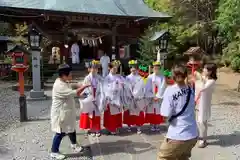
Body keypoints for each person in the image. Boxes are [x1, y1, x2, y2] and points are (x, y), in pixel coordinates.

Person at [158, 64, 198, 160]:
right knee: (183, 157)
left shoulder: (170, 91)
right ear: (185, 75)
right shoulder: (190, 89)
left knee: (164, 157)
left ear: (173, 76)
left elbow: (165, 115)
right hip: (193, 134)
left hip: (178, 135)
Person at [50, 64, 89, 159]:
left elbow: (71, 84)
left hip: (67, 112)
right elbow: (75, 93)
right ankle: (54, 151)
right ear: (64, 75)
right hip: (61, 113)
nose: (71, 75)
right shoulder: (59, 86)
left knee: (71, 128)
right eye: (70, 74)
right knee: (61, 132)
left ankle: (74, 145)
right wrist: (85, 86)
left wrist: (79, 84)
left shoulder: (62, 81)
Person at [195, 63, 217, 148]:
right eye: (203, 68)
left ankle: (203, 140)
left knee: (202, 121)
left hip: (204, 104)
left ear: (210, 71)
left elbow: (202, 88)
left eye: (205, 69)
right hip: (198, 102)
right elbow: (196, 84)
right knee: (199, 121)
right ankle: (202, 136)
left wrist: (199, 77)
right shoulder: (204, 78)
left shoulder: (212, 81)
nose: (203, 70)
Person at [79, 60, 103, 137]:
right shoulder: (87, 78)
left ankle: (97, 129)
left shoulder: (99, 77)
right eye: (93, 68)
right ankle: (92, 129)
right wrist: (89, 94)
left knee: (97, 114)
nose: (94, 69)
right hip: (90, 96)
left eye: (96, 68)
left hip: (98, 96)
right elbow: (84, 88)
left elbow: (104, 85)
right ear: (89, 69)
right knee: (91, 114)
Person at [123, 60, 145, 134]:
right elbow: (125, 88)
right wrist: (127, 95)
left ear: (137, 69)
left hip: (137, 98)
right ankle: (129, 125)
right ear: (130, 69)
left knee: (138, 113)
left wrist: (138, 96)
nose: (133, 69)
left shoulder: (140, 78)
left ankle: (138, 126)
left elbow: (142, 89)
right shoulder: (127, 78)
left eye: (135, 68)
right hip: (129, 98)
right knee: (129, 113)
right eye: (132, 68)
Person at [103, 60, 124, 135]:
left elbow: (124, 85)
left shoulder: (119, 77)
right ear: (109, 68)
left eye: (116, 69)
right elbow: (105, 88)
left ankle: (117, 126)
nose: (115, 70)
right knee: (111, 115)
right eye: (114, 68)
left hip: (118, 97)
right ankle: (111, 128)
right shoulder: (107, 78)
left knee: (117, 114)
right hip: (110, 98)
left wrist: (122, 85)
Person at [145, 61, 166, 132]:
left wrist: (158, 96)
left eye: (158, 68)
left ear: (159, 68)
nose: (156, 69)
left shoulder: (162, 77)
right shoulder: (150, 77)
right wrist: (152, 96)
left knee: (158, 112)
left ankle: (157, 124)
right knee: (151, 112)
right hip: (151, 97)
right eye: (155, 68)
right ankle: (152, 124)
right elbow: (147, 88)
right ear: (153, 68)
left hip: (158, 97)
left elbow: (162, 88)